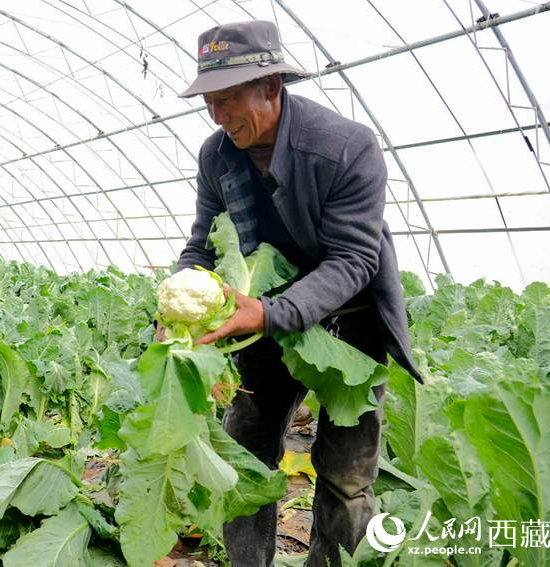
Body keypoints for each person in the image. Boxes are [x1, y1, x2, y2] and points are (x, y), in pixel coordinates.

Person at [171, 20, 423, 567]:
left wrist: (270, 312)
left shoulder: (344, 147)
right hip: (257, 317)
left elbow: (354, 259)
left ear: (271, 85)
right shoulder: (217, 156)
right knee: (244, 457)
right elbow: (203, 243)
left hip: (349, 321)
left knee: (346, 476)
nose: (217, 115)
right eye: (209, 102)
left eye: (227, 98)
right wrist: (179, 299)